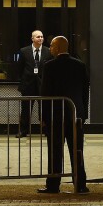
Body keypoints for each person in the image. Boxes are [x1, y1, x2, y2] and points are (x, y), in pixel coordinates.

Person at [37, 35, 89, 194]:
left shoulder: (49, 66)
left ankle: (53, 185)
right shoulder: (80, 65)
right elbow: (84, 91)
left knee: (55, 151)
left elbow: (45, 94)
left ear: (58, 48)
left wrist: (43, 117)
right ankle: (80, 184)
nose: (50, 48)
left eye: (52, 45)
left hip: (55, 115)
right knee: (77, 150)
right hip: (75, 115)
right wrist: (83, 113)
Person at [17, 30, 52, 137]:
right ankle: (23, 130)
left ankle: (47, 130)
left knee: (45, 109)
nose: (40, 38)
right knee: (26, 109)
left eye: (42, 37)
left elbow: (50, 69)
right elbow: (19, 68)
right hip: (28, 85)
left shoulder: (48, 51)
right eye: (38, 37)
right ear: (32, 38)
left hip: (43, 85)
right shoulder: (24, 51)